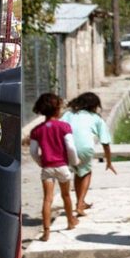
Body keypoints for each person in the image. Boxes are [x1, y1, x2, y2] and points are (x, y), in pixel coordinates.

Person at [29, 93, 79, 241]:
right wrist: (74, 161)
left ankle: (46, 232)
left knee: (47, 199)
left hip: (47, 169)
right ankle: (71, 221)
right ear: (57, 109)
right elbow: (70, 147)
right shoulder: (64, 126)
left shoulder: (37, 130)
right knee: (66, 195)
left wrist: (41, 162)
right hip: (62, 167)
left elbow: (33, 152)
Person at [61, 92, 116, 216]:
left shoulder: (69, 114)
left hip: (66, 147)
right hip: (84, 148)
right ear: (94, 105)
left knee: (78, 172)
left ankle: (80, 201)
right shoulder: (96, 118)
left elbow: (59, 128)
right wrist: (109, 162)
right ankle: (80, 204)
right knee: (86, 172)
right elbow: (105, 142)